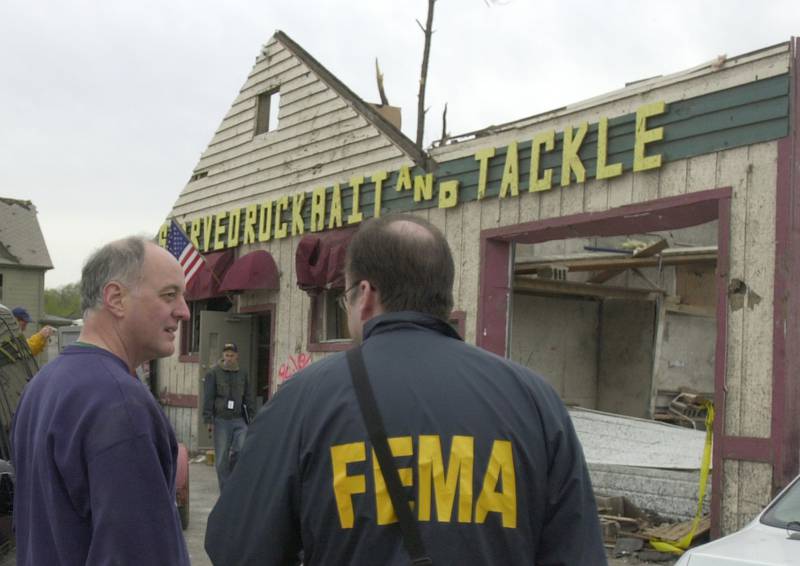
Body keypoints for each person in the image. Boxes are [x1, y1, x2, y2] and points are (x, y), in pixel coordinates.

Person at [205, 215, 607, 565]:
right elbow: (577, 552)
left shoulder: (302, 400)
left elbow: (237, 549)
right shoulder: (535, 400)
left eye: (345, 298)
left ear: (365, 295)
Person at [11, 237, 191, 566]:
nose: (184, 311)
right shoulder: (121, 403)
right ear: (115, 298)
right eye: (169, 295)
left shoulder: (40, 386)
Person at [202, 341, 255, 490]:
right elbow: (208, 397)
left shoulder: (243, 373)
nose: (229, 358)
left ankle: (234, 482)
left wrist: (251, 417)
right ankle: (225, 491)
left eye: (232, 355)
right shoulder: (213, 373)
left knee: (242, 449)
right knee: (221, 459)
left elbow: (248, 396)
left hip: (239, 419)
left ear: (236, 356)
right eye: (226, 355)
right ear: (223, 355)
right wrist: (208, 419)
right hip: (221, 420)